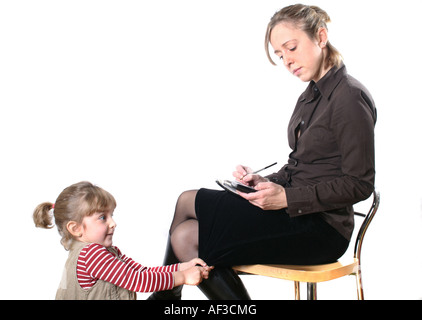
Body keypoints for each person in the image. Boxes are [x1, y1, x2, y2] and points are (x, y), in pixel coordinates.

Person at [148, 4, 377, 300]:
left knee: (188, 230)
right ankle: (166, 298)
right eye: (280, 55)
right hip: (292, 212)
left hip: (321, 229)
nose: (287, 61)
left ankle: (164, 298)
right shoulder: (311, 95)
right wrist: (263, 182)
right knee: (185, 217)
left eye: (291, 48)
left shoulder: (348, 97)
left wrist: (286, 198)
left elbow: (360, 184)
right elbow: (300, 165)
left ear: (321, 37)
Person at [33, 181, 213, 300]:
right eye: (102, 218)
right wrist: (182, 277)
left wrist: (181, 267)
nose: (113, 223)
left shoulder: (104, 253)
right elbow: (137, 281)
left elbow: (142, 271)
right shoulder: (91, 255)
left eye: (111, 215)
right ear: (75, 228)